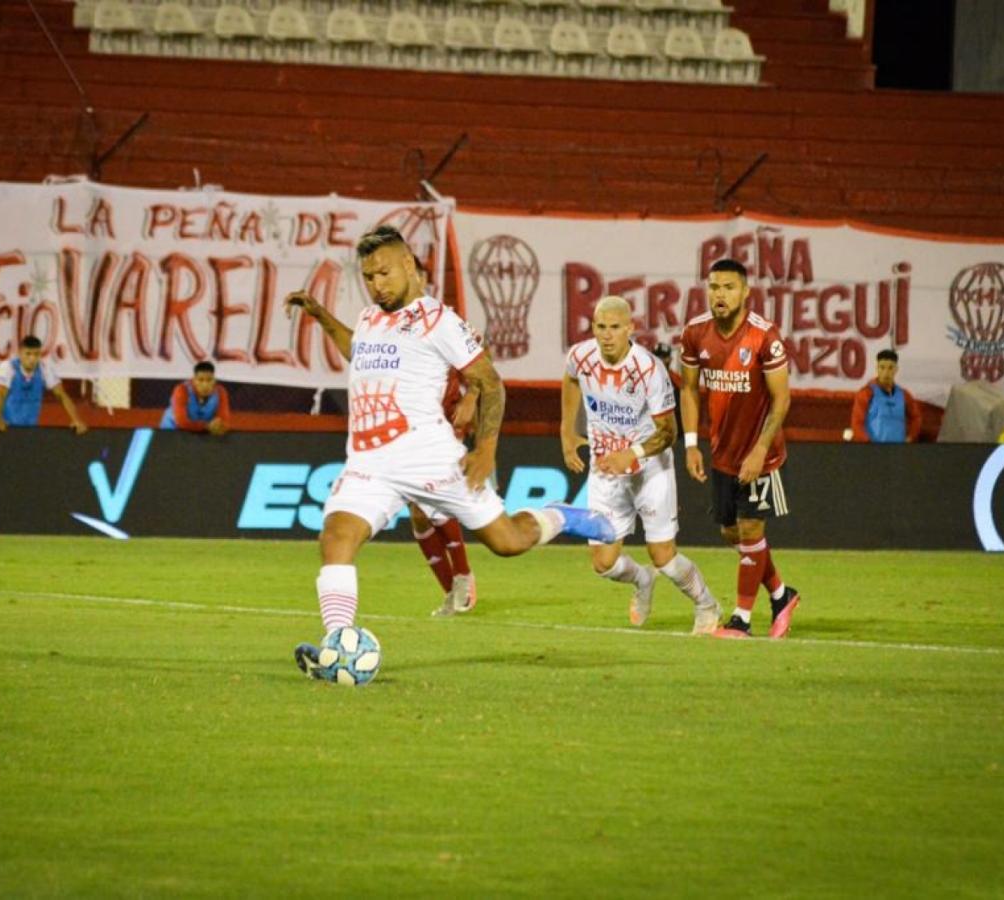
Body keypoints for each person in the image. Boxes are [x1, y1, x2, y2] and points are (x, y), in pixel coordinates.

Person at [285, 225, 614, 680]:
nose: (376, 284)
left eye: (383, 273)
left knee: (507, 542)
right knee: (336, 539)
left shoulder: (438, 320)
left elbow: (489, 382)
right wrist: (321, 315)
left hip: (431, 458)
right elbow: (357, 352)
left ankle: (562, 515)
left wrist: (486, 449)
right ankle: (337, 645)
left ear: (408, 265)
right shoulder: (369, 319)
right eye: (368, 277)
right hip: (369, 463)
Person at [561, 296, 722, 633]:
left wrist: (631, 453)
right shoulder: (581, 355)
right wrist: (567, 431)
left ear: (630, 328)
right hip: (605, 470)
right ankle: (642, 581)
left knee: (663, 556)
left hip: (650, 469)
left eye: (615, 327)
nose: (606, 335)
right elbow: (572, 378)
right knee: (603, 564)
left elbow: (669, 432)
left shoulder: (649, 369)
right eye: (600, 327)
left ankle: (707, 605)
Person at [679, 258, 801, 640]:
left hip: (760, 456)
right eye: (714, 287)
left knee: (751, 529)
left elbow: (781, 400)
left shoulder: (764, 336)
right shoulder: (695, 333)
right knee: (733, 535)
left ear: (746, 292)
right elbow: (688, 389)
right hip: (722, 454)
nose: (720, 294)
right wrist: (691, 444)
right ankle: (782, 595)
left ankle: (741, 620)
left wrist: (759, 449)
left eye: (729, 287)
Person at [420, 368, 481, 617]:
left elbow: (482, 363)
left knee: (436, 498)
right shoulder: (401, 334)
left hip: (447, 421)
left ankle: (463, 574)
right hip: (413, 424)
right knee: (418, 514)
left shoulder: (452, 331)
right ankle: (450, 593)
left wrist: (472, 395)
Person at [0, 335, 87, 434]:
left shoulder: (44, 369)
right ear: (20, 353)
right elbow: (0, 393)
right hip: (5, 428)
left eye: (36, 354)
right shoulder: (8, 367)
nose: (32, 358)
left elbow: (61, 395)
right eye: (28, 354)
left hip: (30, 429)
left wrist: (77, 420)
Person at [849, 349, 921, 443]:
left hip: (899, 451)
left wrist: (910, 437)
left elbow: (916, 418)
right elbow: (856, 423)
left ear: (896, 369)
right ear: (877, 368)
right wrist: (866, 443)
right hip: (873, 450)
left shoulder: (904, 395)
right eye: (882, 367)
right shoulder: (866, 393)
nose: (886, 372)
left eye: (890, 368)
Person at [160, 361, 231, 435]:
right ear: (194, 380)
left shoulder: (220, 392)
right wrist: (206, 426)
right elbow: (181, 422)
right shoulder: (182, 390)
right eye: (200, 380)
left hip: (199, 431)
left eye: (209, 380)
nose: (205, 385)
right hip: (172, 430)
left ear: (214, 380)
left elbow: (224, 420)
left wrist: (219, 426)